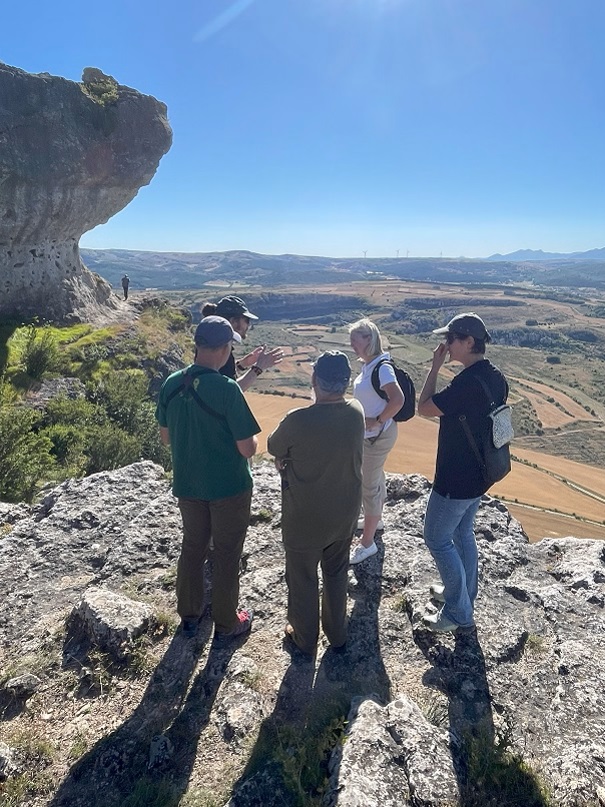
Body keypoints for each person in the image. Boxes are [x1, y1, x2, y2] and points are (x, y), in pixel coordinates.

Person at [156, 315, 261, 640]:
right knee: (227, 553)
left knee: (193, 546)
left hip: (188, 485)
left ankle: (189, 616)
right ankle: (227, 622)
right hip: (229, 487)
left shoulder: (171, 383)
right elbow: (247, 448)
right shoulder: (227, 389)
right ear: (226, 349)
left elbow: (165, 438)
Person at [267, 351, 365, 656]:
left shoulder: (297, 420)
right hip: (344, 514)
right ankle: (337, 635)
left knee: (303, 578)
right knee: (336, 574)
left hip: (305, 518)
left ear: (314, 380)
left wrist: (284, 459)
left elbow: (274, 445)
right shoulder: (356, 412)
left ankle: (304, 638)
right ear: (346, 382)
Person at [417, 312, 509, 633]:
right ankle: (464, 595)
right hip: (480, 475)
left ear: (469, 342)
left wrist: (434, 368)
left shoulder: (466, 384)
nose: (446, 344)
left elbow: (424, 407)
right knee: (462, 534)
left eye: (451, 339)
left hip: (455, 480)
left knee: (436, 538)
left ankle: (459, 613)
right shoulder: (495, 376)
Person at [348, 318, 404, 565]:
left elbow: (398, 400)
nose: (352, 344)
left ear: (369, 339)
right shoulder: (370, 365)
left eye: (355, 340)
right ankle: (376, 519)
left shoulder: (382, 368)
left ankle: (367, 544)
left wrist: (377, 420)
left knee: (368, 486)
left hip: (377, 436)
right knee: (375, 476)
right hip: (372, 435)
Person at [201, 295, 283, 391]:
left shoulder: (211, 342)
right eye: (246, 320)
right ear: (233, 322)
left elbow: (221, 378)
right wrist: (259, 367)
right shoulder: (220, 349)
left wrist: (242, 364)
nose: (248, 325)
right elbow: (230, 392)